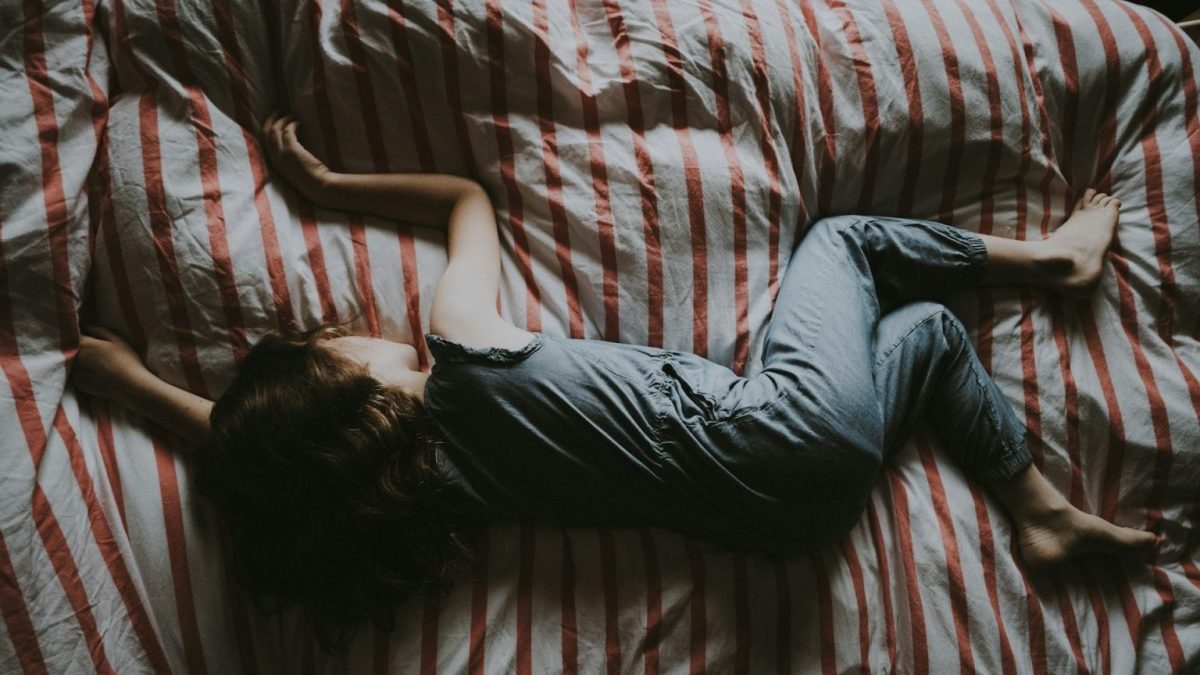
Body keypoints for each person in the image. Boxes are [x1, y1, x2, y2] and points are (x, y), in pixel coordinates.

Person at [73, 113, 1157, 642]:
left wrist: (130, 389)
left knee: (925, 331)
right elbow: (466, 200)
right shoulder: (458, 356)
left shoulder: (453, 492)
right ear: (344, 395)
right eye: (330, 347)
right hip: (784, 432)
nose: (350, 331)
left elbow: (258, 449)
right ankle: (1053, 260)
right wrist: (327, 182)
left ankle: (1043, 513)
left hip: (791, 518)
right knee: (843, 243)